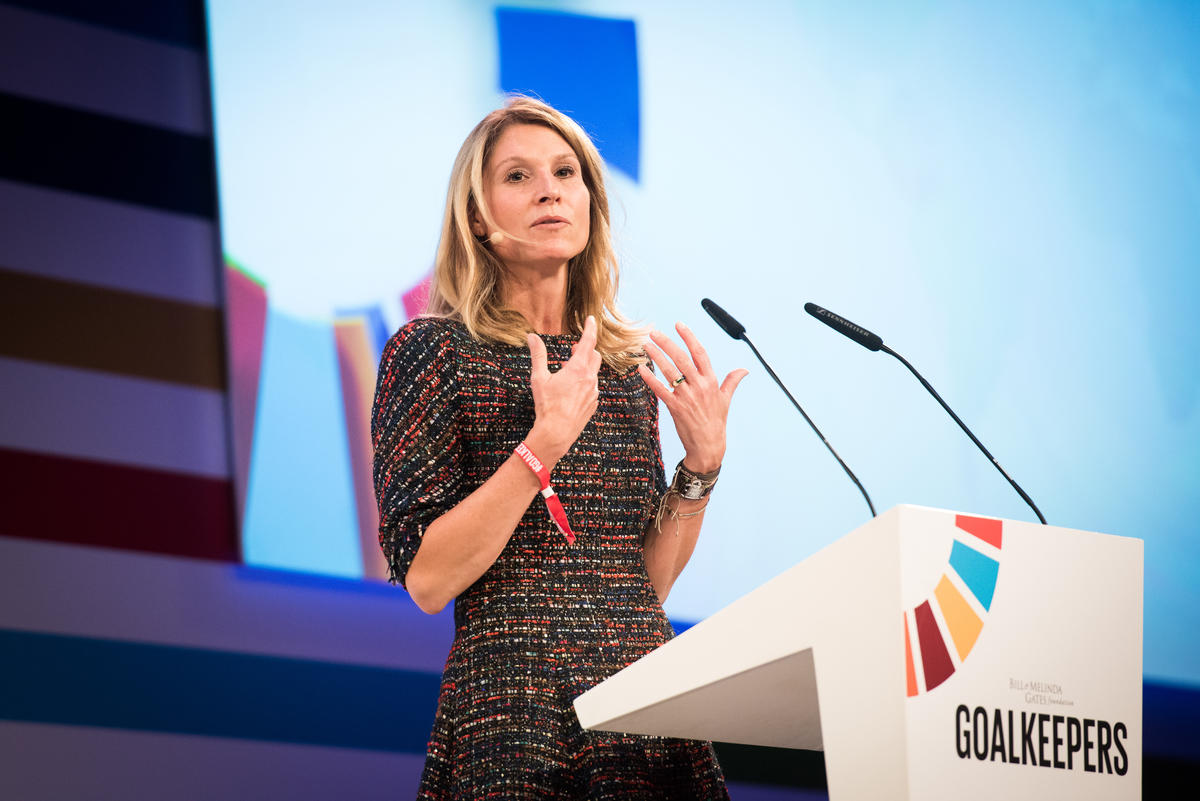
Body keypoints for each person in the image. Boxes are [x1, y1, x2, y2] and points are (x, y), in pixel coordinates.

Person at [371, 96, 747, 800]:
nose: (548, 188)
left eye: (565, 172)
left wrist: (699, 470)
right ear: (477, 218)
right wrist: (541, 447)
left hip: (643, 705)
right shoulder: (433, 352)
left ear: (589, 201)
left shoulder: (625, 373)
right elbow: (426, 577)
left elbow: (643, 587)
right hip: (515, 707)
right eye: (517, 176)